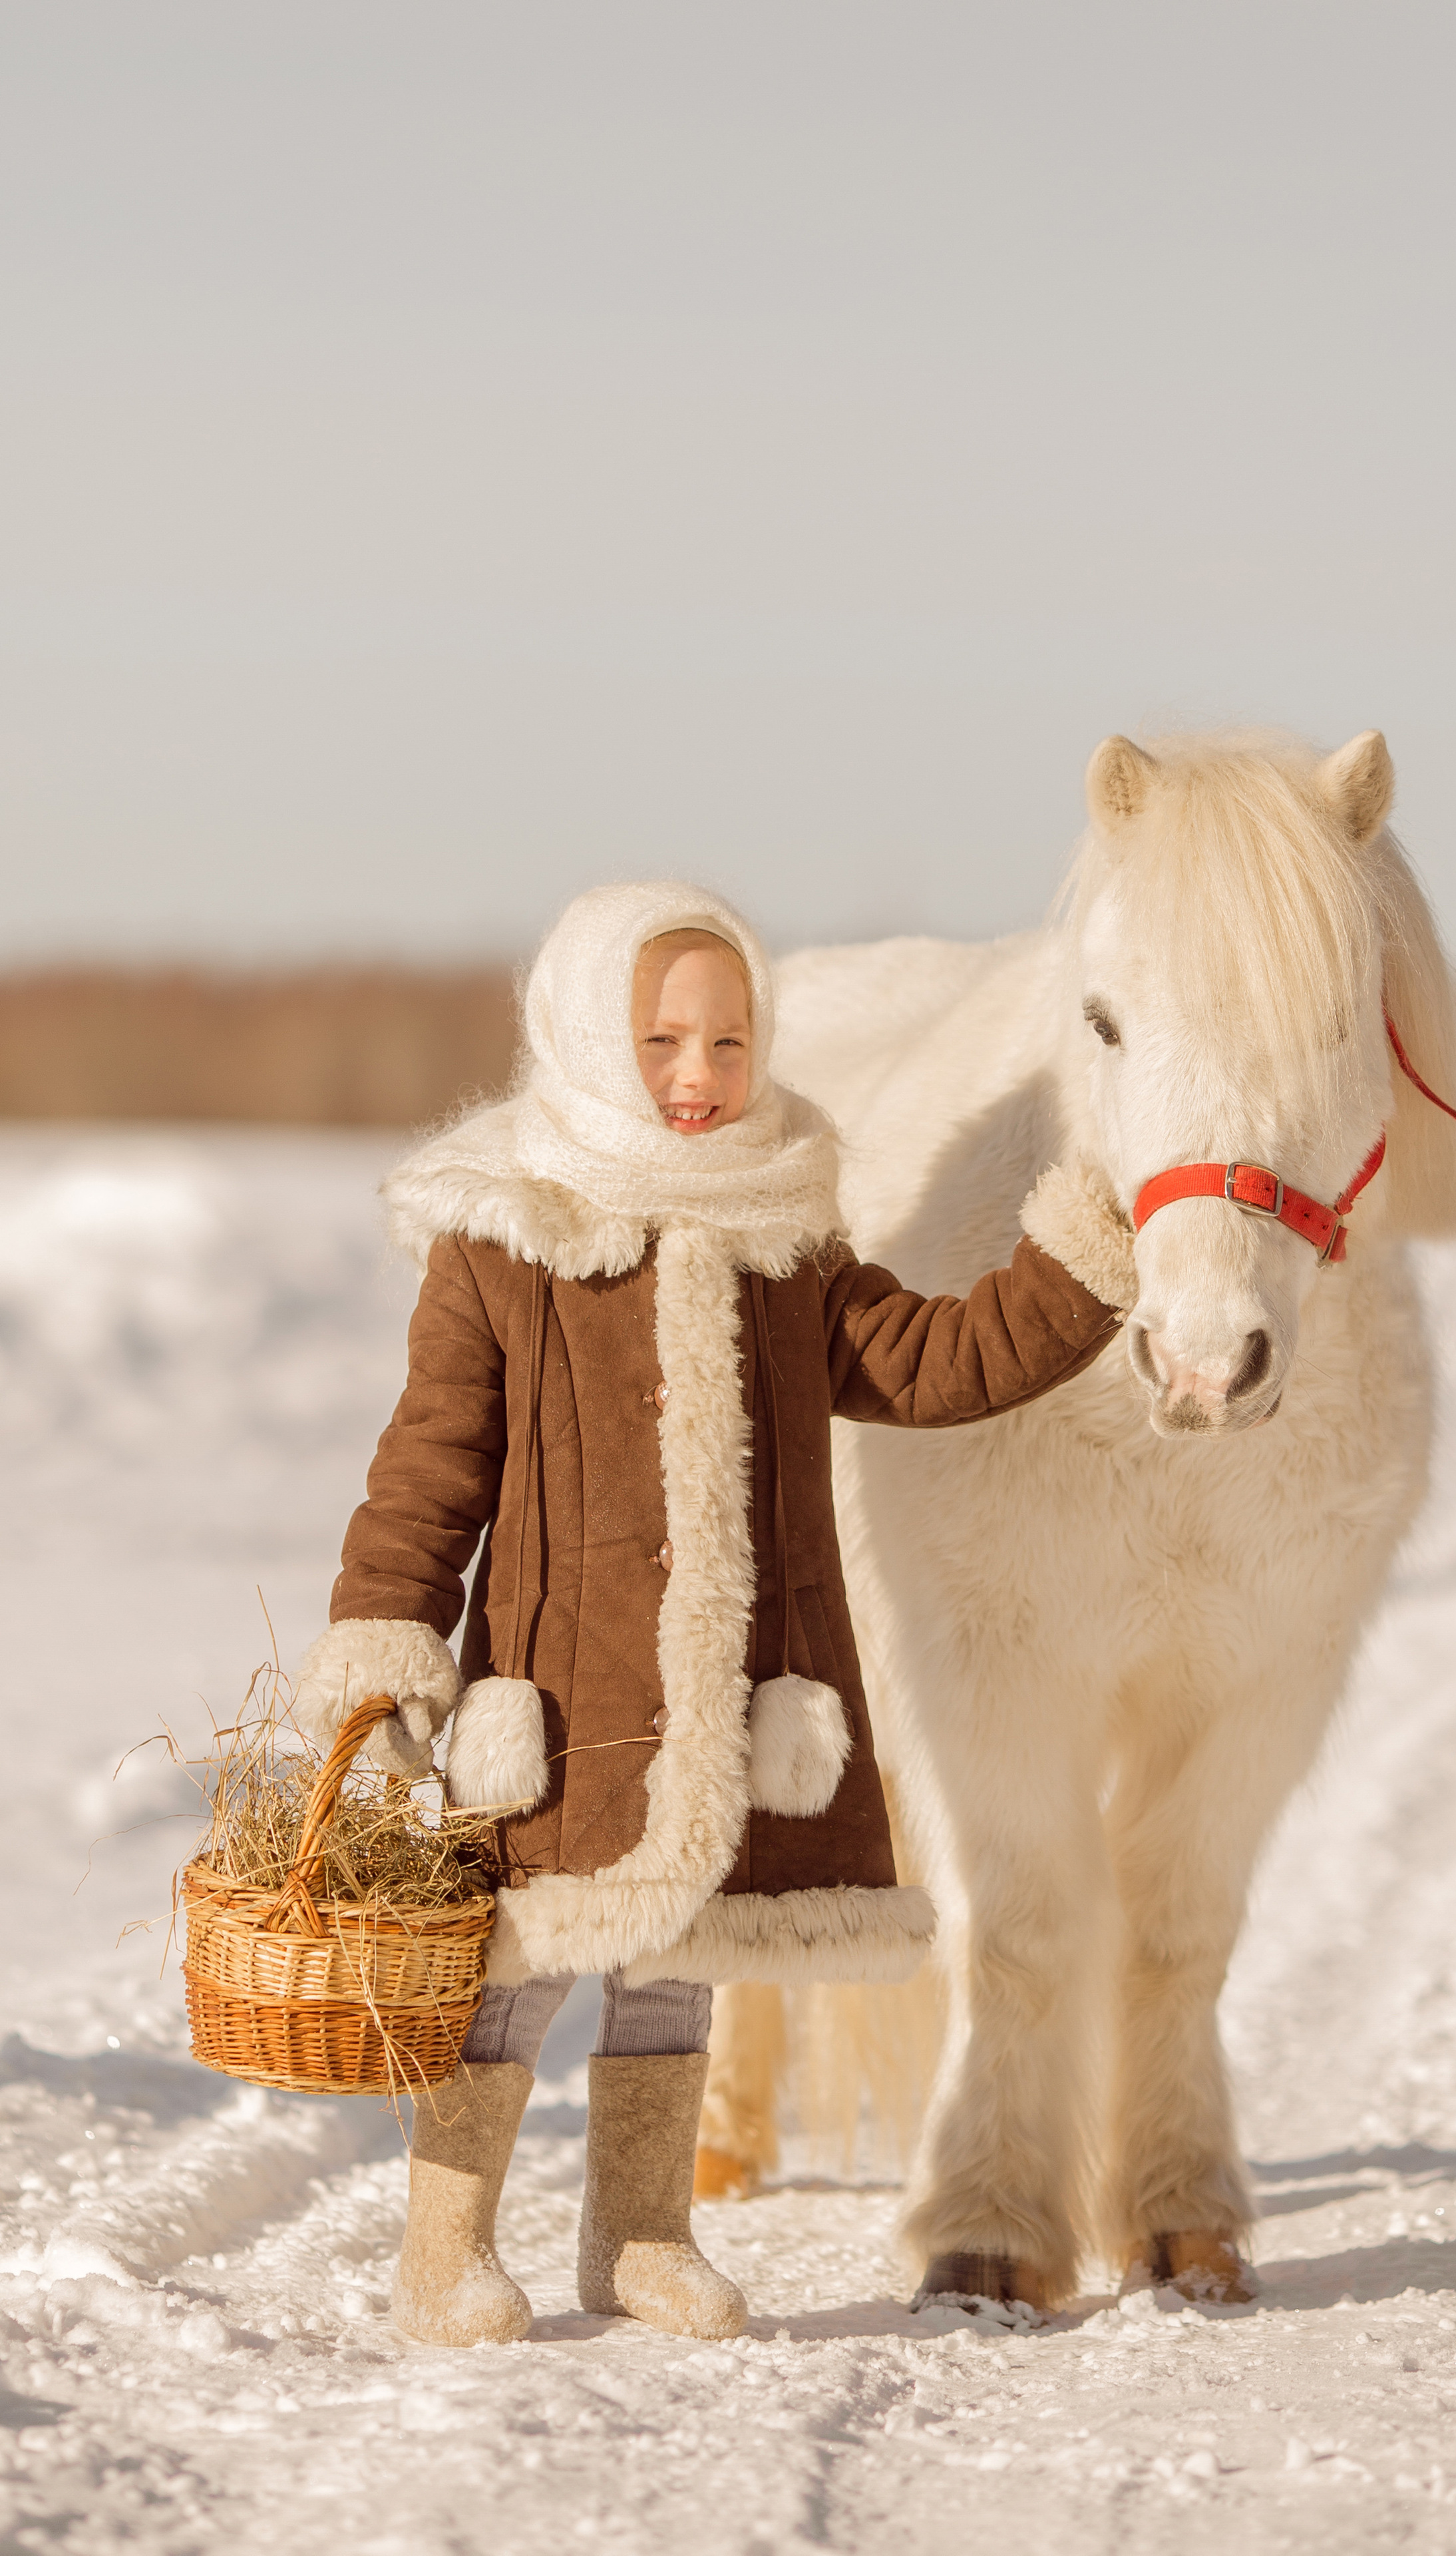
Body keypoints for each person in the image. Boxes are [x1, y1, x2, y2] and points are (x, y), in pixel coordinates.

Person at [293, 881, 1127, 2347]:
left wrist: (1085, 1259)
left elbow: (931, 1363)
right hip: (559, 1699)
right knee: (517, 1972)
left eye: (729, 1041)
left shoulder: (783, 1238)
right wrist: (386, 1631)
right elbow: (431, 1464)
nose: (700, 1075)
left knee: (677, 1970)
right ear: (585, 1033)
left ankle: (639, 2239)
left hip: (739, 1694)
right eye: (662, 1040)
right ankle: (444, 2251)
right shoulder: (509, 1237)